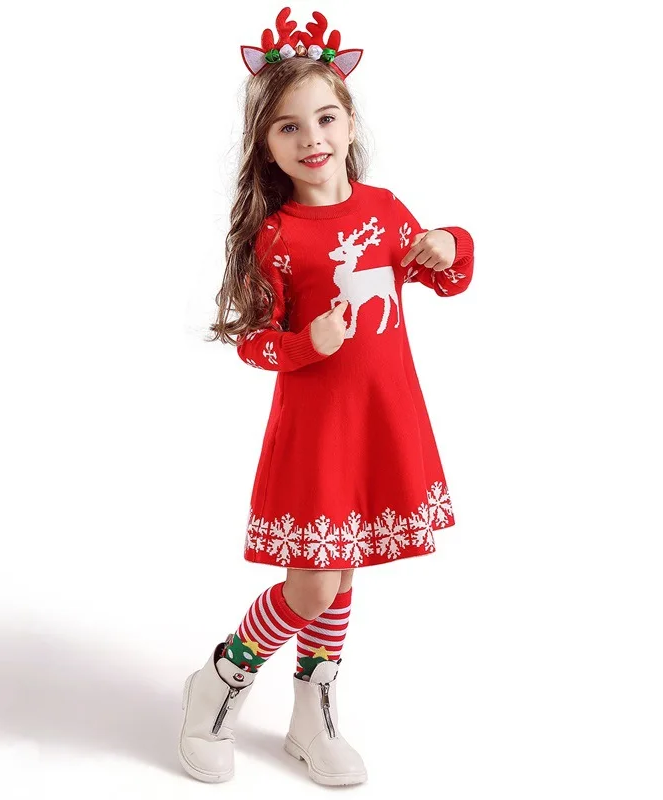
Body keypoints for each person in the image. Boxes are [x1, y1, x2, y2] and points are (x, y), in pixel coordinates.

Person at [179, 6, 475, 786]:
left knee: (341, 574)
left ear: (349, 123)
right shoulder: (276, 237)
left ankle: (312, 714)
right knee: (312, 580)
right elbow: (255, 340)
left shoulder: (385, 212)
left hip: (381, 419)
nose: (311, 138)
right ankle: (220, 679)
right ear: (266, 147)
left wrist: (447, 241)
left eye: (325, 118)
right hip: (316, 432)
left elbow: (443, 273)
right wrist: (309, 342)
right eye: (288, 127)